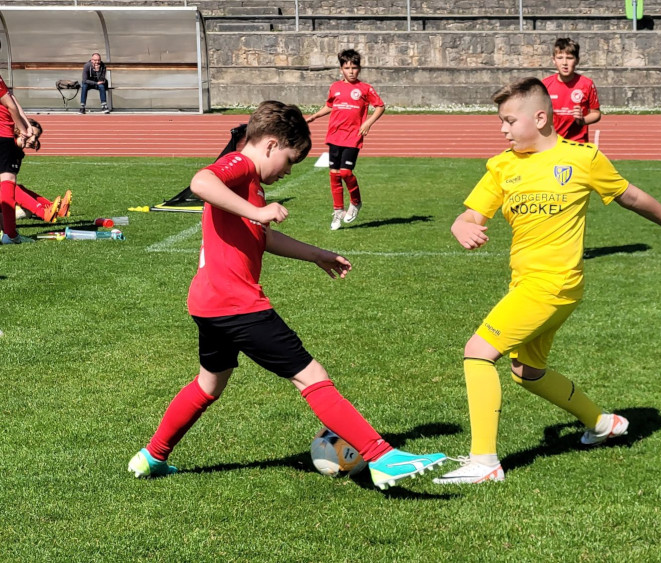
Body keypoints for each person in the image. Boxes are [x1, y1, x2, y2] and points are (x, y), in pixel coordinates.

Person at [128, 101, 445, 489]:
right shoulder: (240, 165)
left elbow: (259, 236)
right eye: (290, 161)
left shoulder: (248, 182)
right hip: (237, 304)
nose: (289, 171)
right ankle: (382, 457)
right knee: (311, 376)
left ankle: (151, 457)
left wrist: (316, 254)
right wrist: (257, 211)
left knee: (209, 385)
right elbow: (200, 184)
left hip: (209, 303)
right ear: (271, 145)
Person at [434, 78, 661, 485]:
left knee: (477, 352)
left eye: (509, 121)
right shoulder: (502, 166)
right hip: (527, 285)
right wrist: (460, 225)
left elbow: (630, 196)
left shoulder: (582, 158)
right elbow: (471, 215)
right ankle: (600, 423)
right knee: (527, 371)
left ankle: (484, 463)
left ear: (540, 118)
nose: (502, 129)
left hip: (553, 285)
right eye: (501, 121)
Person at [306, 49, 385, 230]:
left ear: (359, 69)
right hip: (335, 135)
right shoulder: (335, 87)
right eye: (347, 67)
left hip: (352, 136)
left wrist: (368, 123)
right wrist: (315, 116)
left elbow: (380, 106)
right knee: (334, 175)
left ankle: (355, 201)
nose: (351, 71)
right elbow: (330, 105)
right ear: (341, 69)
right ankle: (337, 211)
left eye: (354, 68)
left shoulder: (365, 88)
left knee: (346, 173)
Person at [0, 71, 38, 245]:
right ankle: (11, 234)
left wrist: (28, 125)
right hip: (3, 134)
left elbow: (12, 100)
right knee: (7, 180)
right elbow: (11, 106)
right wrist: (23, 130)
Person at [9, 120, 72, 222]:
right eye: (31, 135)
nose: (33, 139)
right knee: (10, 186)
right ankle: (43, 213)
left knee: (16, 187)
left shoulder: (17, 153)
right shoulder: (6, 146)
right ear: (19, 131)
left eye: (36, 137)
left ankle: (54, 208)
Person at [541, 38, 601, 143]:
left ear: (577, 60)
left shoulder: (586, 84)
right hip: (552, 142)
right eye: (560, 58)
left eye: (569, 58)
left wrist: (583, 120)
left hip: (577, 143)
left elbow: (596, 113)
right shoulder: (545, 85)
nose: (564, 63)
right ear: (554, 60)